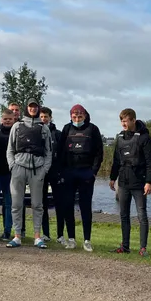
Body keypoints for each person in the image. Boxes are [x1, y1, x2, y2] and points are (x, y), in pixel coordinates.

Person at [109, 108, 151, 256]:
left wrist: (149, 182)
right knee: (124, 215)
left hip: (139, 182)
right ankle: (125, 246)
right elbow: (116, 160)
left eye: (126, 120)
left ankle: (143, 248)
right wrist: (112, 178)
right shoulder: (120, 138)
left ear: (133, 120)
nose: (123, 123)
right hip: (123, 181)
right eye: (122, 121)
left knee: (141, 215)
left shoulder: (144, 138)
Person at [6, 99, 52, 248]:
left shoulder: (44, 128)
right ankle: (17, 235)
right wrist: (12, 165)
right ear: (27, 108)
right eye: (30, 106)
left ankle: (37, 236)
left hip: (37, 169)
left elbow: (48, 152)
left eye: (35, 107)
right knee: (16, 204)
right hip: (19, 168)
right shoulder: (17, 126)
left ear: (38, 108)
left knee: (37, 204)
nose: (33, 109)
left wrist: (44, 170)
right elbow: (10, 149)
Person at [58, 104, 103, 252]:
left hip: (86, 173)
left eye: (80, 117)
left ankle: (87, 240)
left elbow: (99, 152)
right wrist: (62, 171)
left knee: (85, 207)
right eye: (74, 117)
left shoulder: (93, 129)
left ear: (85, 116)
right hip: (69, 173)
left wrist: (94, 171)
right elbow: (60, 150)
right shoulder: (66, 129)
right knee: (67, 205)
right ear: (71, 116)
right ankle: (71, 239)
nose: (77, 119)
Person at [0, 110, 15, 240]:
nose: (7, 121)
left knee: (9, 203)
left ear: (14, 119)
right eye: (5, 119)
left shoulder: (16, 133)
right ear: (1, 119)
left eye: (10, 119)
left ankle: (7, 230)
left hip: (10, 173)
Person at [39, 106, 60, 243]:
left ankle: (60, 235)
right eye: (41, 117)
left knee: (59, 203)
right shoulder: (36, 132)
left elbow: (63, 153)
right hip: (41, 172)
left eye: (46, 116)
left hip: (55, 172)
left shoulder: (57, 133)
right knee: (42, 204)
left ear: (50, 117)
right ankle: (45, 233)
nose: (43, 119)